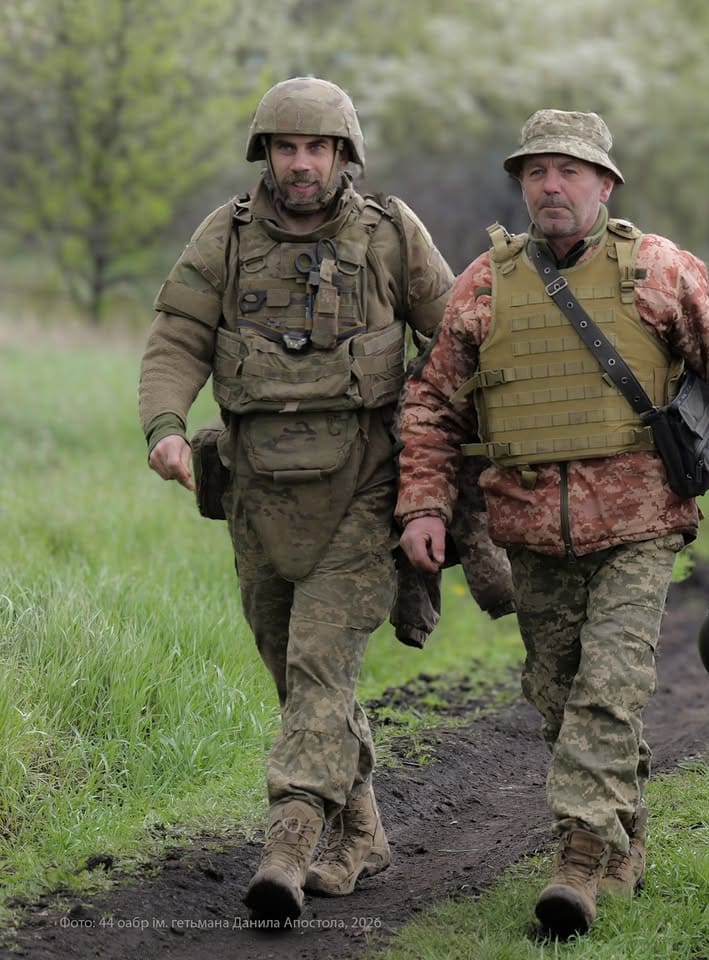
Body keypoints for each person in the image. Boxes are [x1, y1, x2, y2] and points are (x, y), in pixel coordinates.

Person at [396, 109, 709, 939]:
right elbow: (430, 404)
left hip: (641, 525)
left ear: (605, 185)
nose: (551, 186)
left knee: (610, 687)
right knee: (559, 698)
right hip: (531, 531)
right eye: (536, 172)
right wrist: (425, 506)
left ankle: (576, 862)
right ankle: (623, 832)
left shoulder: (660, 271)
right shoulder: (484, 286)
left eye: (569, 171)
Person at [137, 77, 457, 924]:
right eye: (287, 147)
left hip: (366, 489)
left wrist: (441, 456)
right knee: (298, 677)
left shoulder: (390, 235)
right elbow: (177, 337)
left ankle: (287, 845)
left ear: (344, 155)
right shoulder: (227, 235)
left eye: (318, 147)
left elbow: (458, 336)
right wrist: (167, 427)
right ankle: (364, 833)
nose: (302, 163)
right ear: (266, 155)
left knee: (320, 663)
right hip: (257, 495)